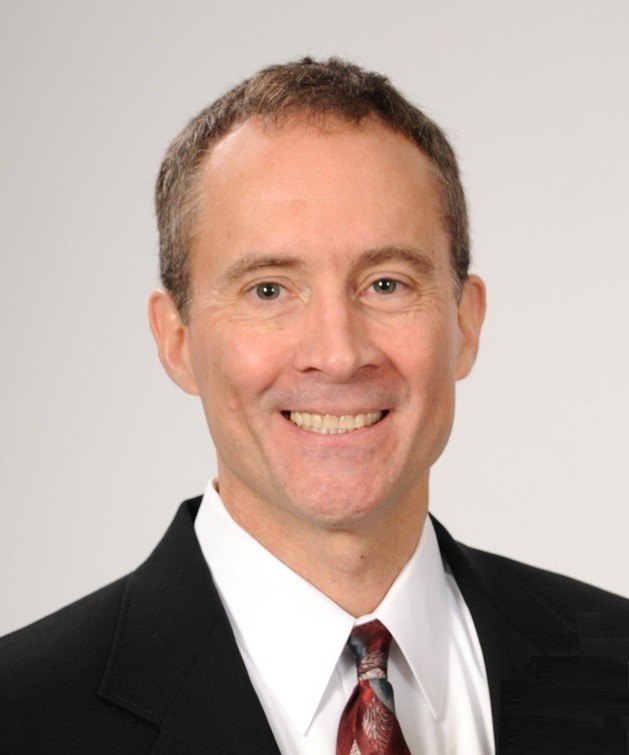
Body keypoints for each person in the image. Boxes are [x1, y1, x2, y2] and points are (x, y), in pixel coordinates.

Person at [1, 57, 627, 755]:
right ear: (176, 341)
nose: (338, 353)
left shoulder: (613, 668)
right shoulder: (21, 717)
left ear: (465, 324)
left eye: (386, 284)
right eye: (268, 290)